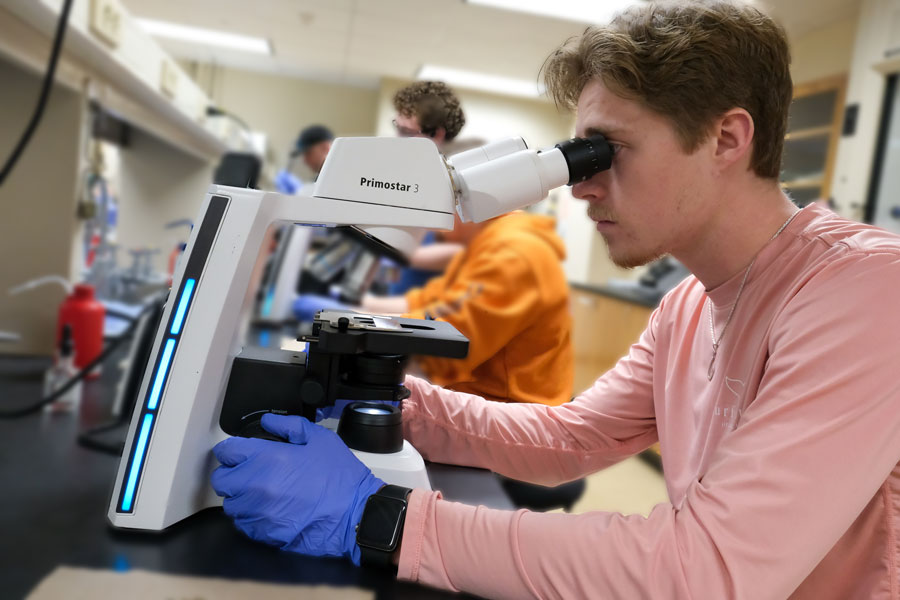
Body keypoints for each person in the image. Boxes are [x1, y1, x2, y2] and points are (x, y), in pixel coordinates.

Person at [211, 2, 900, 598]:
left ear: (726, 138)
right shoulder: (688, 305)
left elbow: (702, 573)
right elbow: (571, 440)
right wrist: (404, 403)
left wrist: (380, 517)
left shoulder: (866, 291)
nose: (579, 187)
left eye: (606, 152)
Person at [274, 124, 334, 194]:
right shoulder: (320, 181)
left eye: (308, 153)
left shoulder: (340, 179)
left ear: (325, 147)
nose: (305, 160)